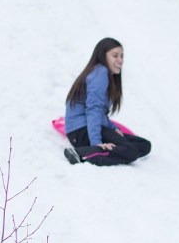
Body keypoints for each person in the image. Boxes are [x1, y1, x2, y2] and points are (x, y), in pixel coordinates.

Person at [62, 38, 151, 166]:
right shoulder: (100, 73)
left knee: (143, 145)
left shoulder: (104, 74)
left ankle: (107, 151)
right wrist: (96, 142)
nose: (120, 60)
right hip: (81, 131)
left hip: (88, 128)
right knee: (131, 152)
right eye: (115, 56)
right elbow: (93, 110)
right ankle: (81, 153)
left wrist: (112, 128)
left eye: (122, 56)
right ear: (103, 56)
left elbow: (100, 112)